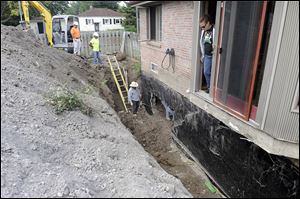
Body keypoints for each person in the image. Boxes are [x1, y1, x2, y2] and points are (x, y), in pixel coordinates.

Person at [199, 14, 215, 93]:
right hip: (207, 56)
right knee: (206, 72)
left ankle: (214, 89)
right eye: (201, 27)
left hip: (214, 56)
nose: (202, 28)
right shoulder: (203, 32)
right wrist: (203, 55)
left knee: (214, 74)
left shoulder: (215, 30)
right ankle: (209, 88)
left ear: (208, 23)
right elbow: (202, 43)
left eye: (203, 26)